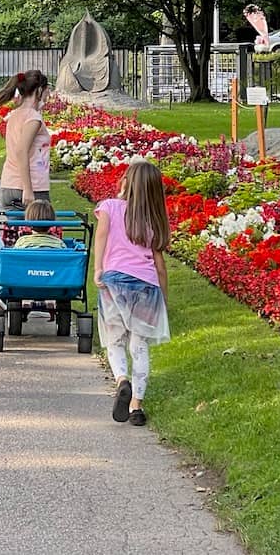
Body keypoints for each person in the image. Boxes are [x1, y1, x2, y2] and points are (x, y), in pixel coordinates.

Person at [92, 159, 171, 427]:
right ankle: (137, 405)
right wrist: (164, 299)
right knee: (139, 345)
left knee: (114, 340)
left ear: (125, 183)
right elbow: (160, 265)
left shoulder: (109, 207)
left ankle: (121, 380)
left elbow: (100, 238)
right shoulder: (154, 220)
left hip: (114, 283)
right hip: (146, 287)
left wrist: (98, 269)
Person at [0, 69, 51, 211]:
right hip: (31, 186)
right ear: (39, 91)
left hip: (10, 184)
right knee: (40, 232)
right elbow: (21, 151)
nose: (48, 94)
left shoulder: (15, 115)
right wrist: (28, 189)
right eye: (46, 90)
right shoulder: (33, 118)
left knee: (15, 232)